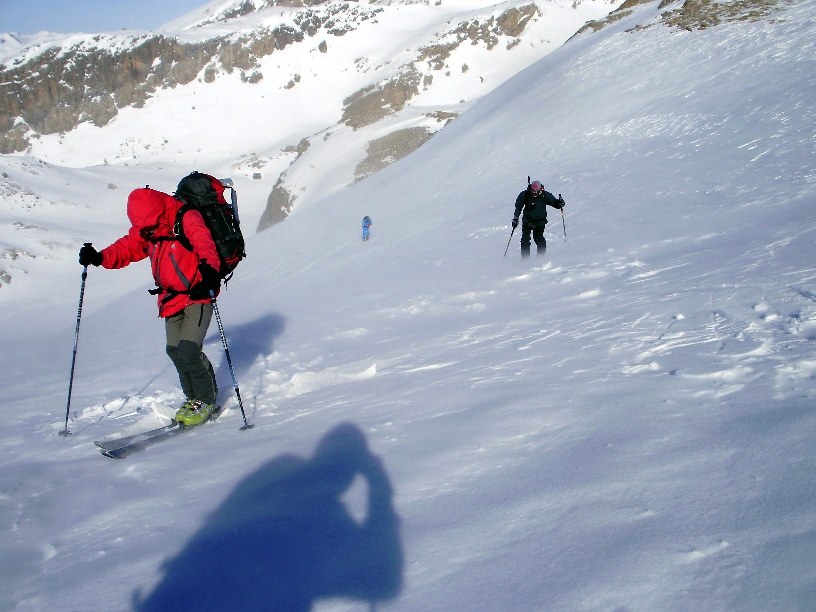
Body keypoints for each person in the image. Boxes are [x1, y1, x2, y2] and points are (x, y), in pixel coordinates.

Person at [78, 184, 222, 426]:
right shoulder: (148, 228)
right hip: (170, 296)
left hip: (198, 294)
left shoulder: (187, 217)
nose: (147, 232)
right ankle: (192, 397)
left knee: (188, 349)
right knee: (175, 350)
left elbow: (204, 243)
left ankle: (205, 400)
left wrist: (209, 271)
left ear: (158, 212)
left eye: (150, 226)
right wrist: (100, 257)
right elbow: (129, 246)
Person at [511, 179, 564, 258]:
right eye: (533, 191)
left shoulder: (545, 195)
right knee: (525, 239)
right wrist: (516, 218)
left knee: (538, 238)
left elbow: (555, 203)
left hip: (540, 221)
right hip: (527, 220)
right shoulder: (525, 195)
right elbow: (518, 207)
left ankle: (540, 257)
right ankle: (525, 258)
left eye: (536, 191)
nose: (534, 193)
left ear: (540, 189)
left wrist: (560, 203)